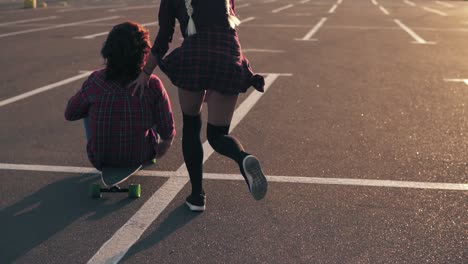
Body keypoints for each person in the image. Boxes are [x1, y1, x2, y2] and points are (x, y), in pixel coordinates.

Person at [131, 0, 267, 212]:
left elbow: (163, 39)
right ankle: (243, 158)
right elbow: (230, 26)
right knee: (218, 135)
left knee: (192, 124)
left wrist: (146, 72)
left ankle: (196, 197)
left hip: (195, 58)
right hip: (228, 58)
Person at [65, 21, 175, 171]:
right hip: (141, 155)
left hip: (100, 159)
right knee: (155, 110)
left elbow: (70, 113)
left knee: (87, 106)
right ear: (143, 52)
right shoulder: (152, 84)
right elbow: (168, 132)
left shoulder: (96, 80)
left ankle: (105, 146)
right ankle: (144, 149)